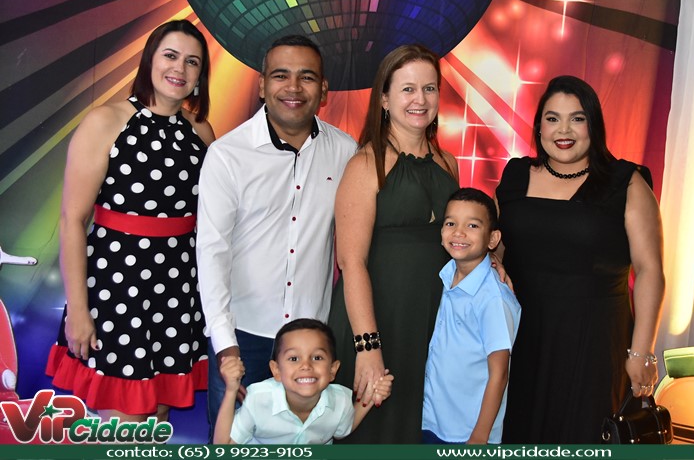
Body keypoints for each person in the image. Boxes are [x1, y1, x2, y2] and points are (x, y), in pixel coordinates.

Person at [46, 20, 215, 421]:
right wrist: (79, 311)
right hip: (116, 289)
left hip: (179, 291)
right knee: (125, 426)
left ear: (200, 76)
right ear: (150, 60)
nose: (180, 68)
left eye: (192, 62)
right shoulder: (106, 121)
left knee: (156, 420)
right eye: (170, 55)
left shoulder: (202, 132)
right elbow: (72, 220)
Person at [196, 35, 356, 438]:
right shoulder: (228, 155)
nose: (293, 87)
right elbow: (211, 253)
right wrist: (225, 343)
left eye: (307, 77)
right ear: (262, 84)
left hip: (311, 346)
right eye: (281, 75)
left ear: (323, 90)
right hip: (242, 337)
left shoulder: (346, 151)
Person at [496, 75, 664, 443]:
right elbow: (498, 254)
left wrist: (642, 352)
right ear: (539, 126)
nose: (563, 130)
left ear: (594, 126)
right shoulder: (515, 175)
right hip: (524, 339)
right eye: (552, 118)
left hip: (595, 344)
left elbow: (650, 270)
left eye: (577, 118)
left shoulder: (627, 182)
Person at [327, 44, 460, 443]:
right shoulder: (366, 164)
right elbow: (351, 262)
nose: (420, 99)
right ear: (384, 99)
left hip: (430, 322)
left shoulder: (448, 163)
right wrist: (368, 347)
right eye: (408, 89)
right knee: (373, 434)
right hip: (378, 320)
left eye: (429, 88)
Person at [422, 188, 520, 445]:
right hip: (433, 419)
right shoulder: (445, 275)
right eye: (450, 223)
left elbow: (499, 373)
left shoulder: (493, 298)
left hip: (467, 432)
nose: (459, 232)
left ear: (493, 238)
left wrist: (479, 436)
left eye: (472, 225)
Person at [213, 318, 394, 444]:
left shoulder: (341, 401)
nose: (306, 366)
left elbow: (342, 430)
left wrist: (373, 394)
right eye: (294, 359)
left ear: (333, 370)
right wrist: (231, 390)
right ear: (276, 370)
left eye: (317, 357)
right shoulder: (258, 399)